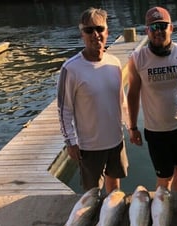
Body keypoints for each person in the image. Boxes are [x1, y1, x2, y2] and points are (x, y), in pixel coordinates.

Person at [127, 6, 177, 191]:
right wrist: (133, 127)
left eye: (162, 26)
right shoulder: (137, 58)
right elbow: (133, 94)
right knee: (164, 177)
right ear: (146, 31)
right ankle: (161, 210)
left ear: (171, 28)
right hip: (156, 130)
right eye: (153, 27)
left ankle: (175, 206)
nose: (158, 31)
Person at [58, 7, 129, 194]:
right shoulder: (70, 69)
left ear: (107, 32)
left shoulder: (114, 63)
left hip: (116, 140)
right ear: (82, 34)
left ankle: (111, 217)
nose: (95, 34)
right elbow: (64, 109)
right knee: (91, 193)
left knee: (114, 189)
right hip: (89, 146)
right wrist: (70, 142)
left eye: (99, 29)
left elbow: (121, 99)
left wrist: (131, 127)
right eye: (89, 30)